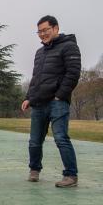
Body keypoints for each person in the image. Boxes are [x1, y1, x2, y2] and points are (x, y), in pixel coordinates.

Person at [22, 15, 81, 188]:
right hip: (38, 103)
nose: (42, 34)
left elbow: (73, 73)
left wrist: (60, 95)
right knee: (34, 141)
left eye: (45, 30)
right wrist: (28, 98)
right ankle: (34, 170)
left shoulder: (69, 46)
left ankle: (71, 175)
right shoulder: (40, 53)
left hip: (57, 102)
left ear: (56, 28)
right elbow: (36, 79)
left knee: (61, 138)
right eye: (39, 31)